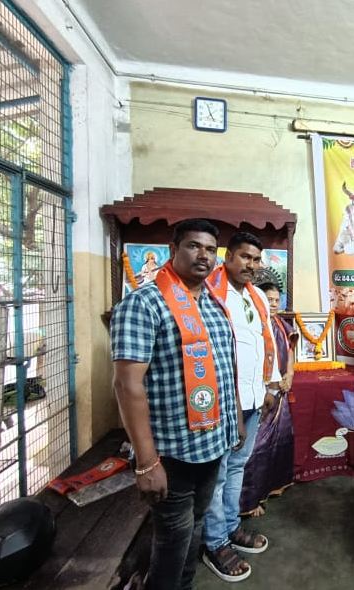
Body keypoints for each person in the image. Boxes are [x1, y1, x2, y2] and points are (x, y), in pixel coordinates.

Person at [110, 219, 244, 590]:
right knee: (173, 536)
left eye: (210, 249)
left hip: (212, 445)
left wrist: (235, 421)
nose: (203, 255)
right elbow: (127, 385)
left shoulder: (214, 305)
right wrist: (146, 461)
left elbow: (224, 368)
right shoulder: (144, 304)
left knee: (196, 525)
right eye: (193, 246)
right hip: (171, 452)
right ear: (173, 250)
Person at [201, 231, 282, 582]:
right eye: (245, 257)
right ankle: (214, 542)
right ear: (228, 256)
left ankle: (231, 527)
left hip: (253, 398)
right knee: (217, 475)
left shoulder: (257, 296)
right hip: (223, 402)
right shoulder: (209, 292)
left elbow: (267, 341)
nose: (251, 264)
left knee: (237, 468)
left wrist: (270, 386)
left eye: (256, 259)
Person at [239, 281, 297, 517]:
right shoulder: (252, 325)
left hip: (281, 391)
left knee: (281, 441)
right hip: (261, 395)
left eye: (276, 300)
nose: (273, 304)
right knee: (257, 447)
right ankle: (249, 501)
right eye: (268, 299)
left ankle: (271, 487)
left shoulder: (283, 326)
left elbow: (290, 353)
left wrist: (289, 375)